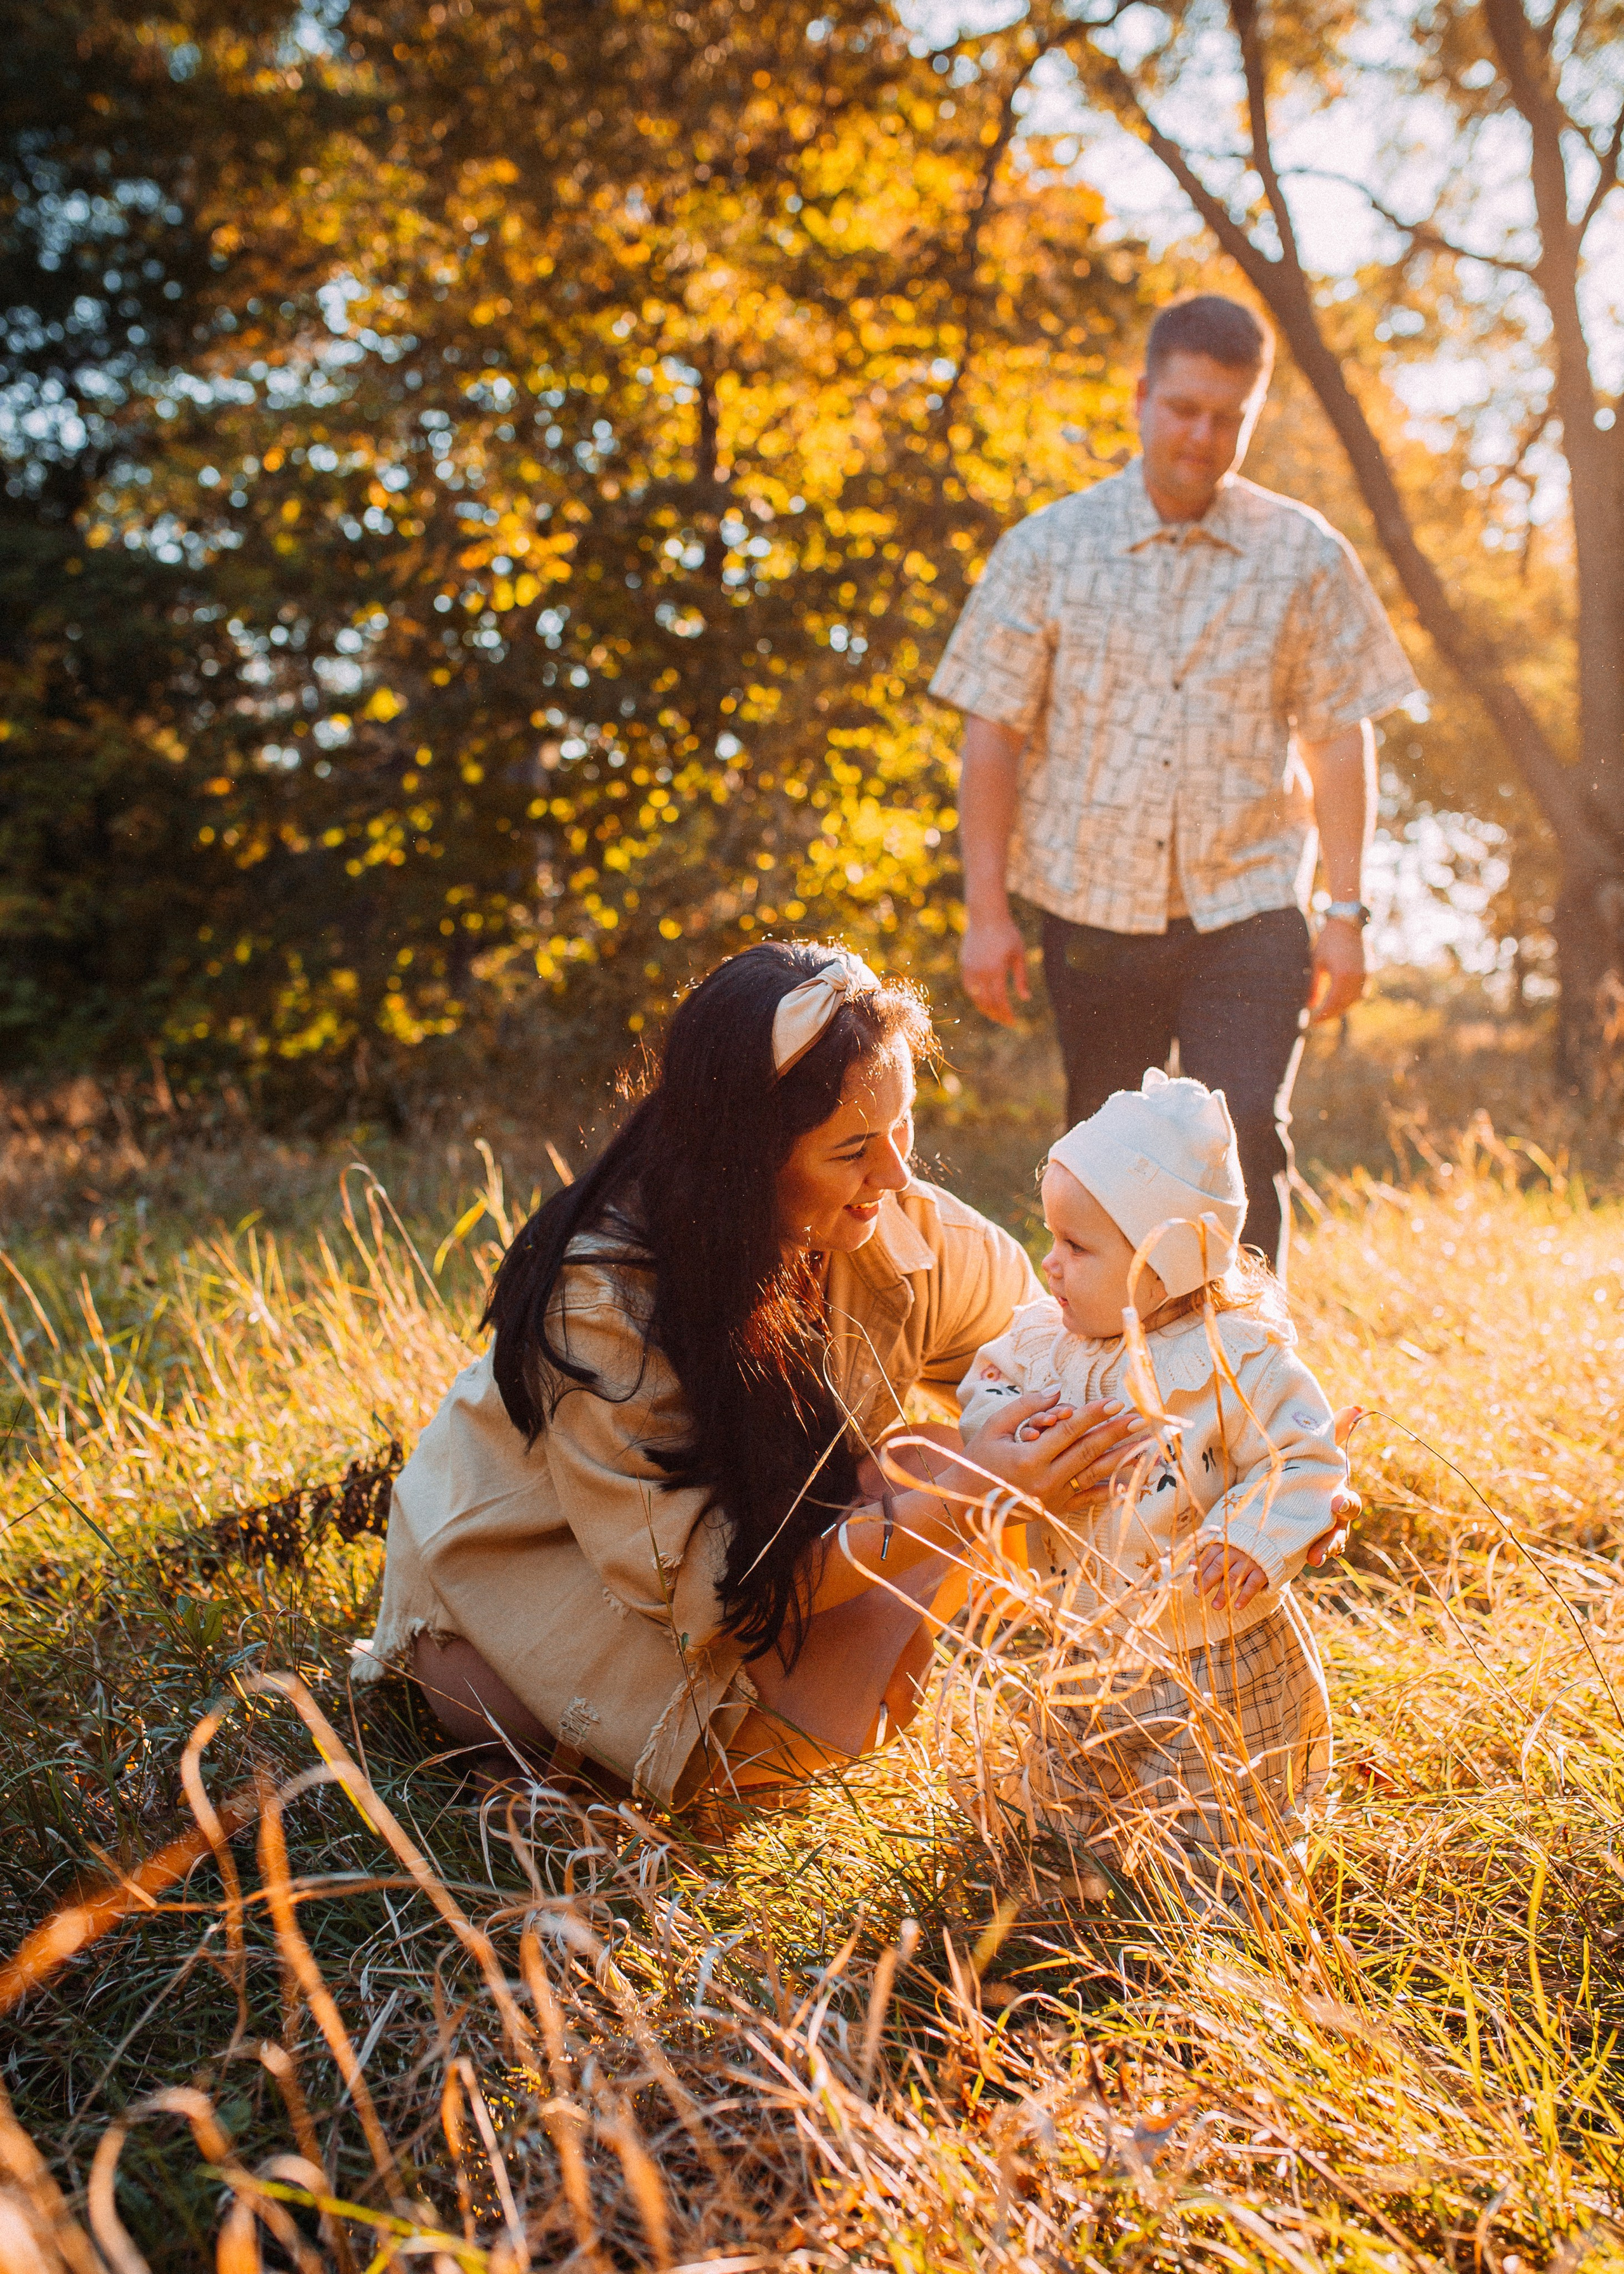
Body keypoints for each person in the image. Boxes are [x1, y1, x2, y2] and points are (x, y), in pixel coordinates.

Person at [353, 941, 1155, 1811]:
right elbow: (704, 1588)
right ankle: (549, 1772)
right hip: (531, 1579)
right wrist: (969, 1500)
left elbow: (1072, 1356)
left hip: (748, 1556)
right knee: (940, 1486)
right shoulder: (604, 1302)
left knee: (940, 1461)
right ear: (747, 1160)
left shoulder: (903, 1232)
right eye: (851, 1150)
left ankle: (723, 1752)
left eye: (903, 1126)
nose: (893, 1173)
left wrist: (1252, 1449)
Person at [931, 292, 1423, 1277]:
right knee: (1104, 1159)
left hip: (1247, 905)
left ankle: (1247, 1381)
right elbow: (994, 736)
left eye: (1228, 417)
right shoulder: (1047, 549)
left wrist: (1346, 911)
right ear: (1142, 397)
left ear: (1252, 414)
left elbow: (1338, 738)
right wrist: (987, 912)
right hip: (1093, 908)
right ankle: (1115, 1383)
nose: (1204, 436)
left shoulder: (1303, 554)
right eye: (1186, 409)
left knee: (1247, 1132)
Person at [958, 1068, 1346, 1896]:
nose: (1049, 1266)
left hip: (1217, 1651)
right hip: (1086, 1641)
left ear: (1164, 1264)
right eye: (1052, 1239)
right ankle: (1057, 1896)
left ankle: (1218, 1948)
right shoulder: (1046, 1344)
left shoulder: (1238, 1360)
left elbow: (1302, 1458)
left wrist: (1249, 1534)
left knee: (1230, 1832)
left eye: (1077, 1248)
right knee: (1061, 1809)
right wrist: (1007, 1424)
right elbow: (983, 1386)